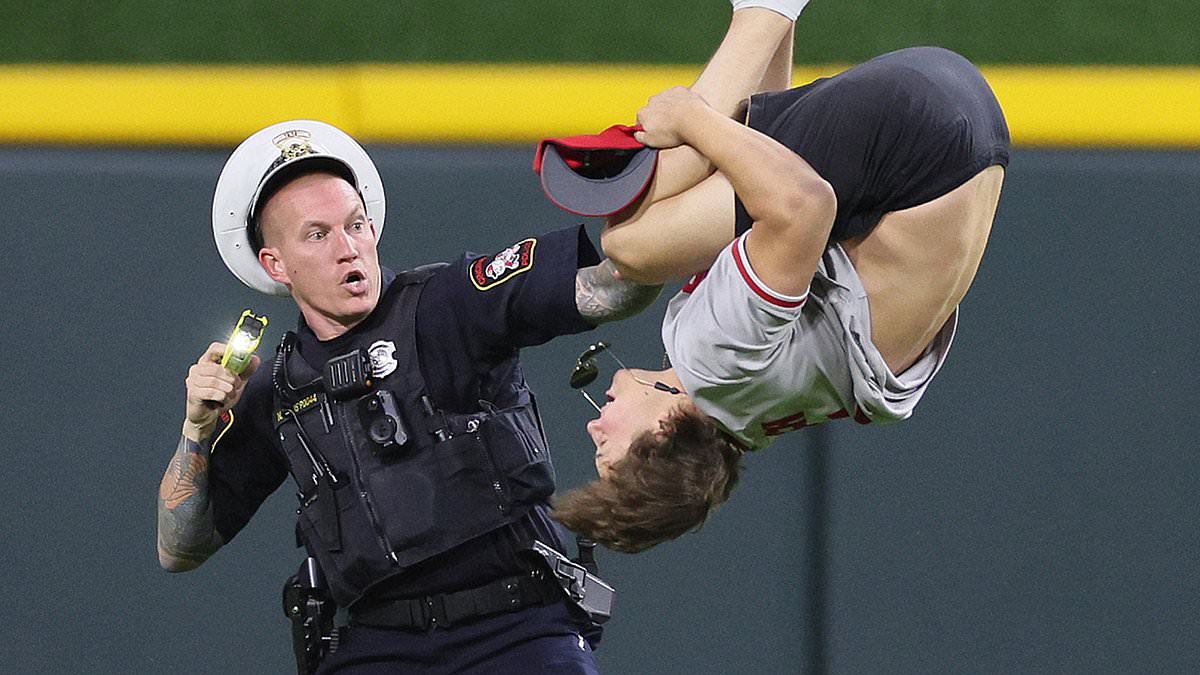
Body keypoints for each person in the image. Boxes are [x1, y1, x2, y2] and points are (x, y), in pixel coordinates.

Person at [154, 117, 659, 673]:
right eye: (318, 235)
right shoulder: (276, 390)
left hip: (519, 629)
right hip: (378, 646)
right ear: (276, 265)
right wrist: (197, 431)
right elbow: (179, 549)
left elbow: (609, 289)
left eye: (356, 224)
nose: (349, 249)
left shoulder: (450, 303)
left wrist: (686, 222)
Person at [551, 1, 1010, 553]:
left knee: (733, 178)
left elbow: (774, 183)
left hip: (966, 128)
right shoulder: (716, 363)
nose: (594, 430)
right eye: (608, 452)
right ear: (667, 429)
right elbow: (805, 204)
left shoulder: (758, 411)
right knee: (631, 243)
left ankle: (770, 11)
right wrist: (688, 118)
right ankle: (768, 9)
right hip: (917, 131)